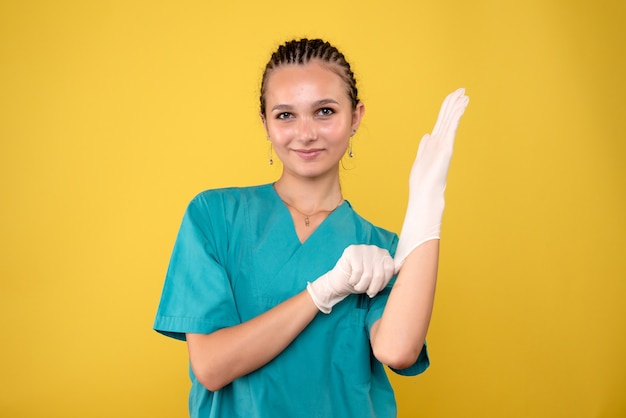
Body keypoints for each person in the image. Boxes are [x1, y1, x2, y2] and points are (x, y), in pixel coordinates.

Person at [154, 38, 469, 418]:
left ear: (355, 117)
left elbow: (398, 351)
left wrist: (426, 204)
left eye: (324, 111)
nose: (306, 133)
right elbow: (211, 367)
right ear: (265, 124)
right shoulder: (214, 216)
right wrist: (325, 290)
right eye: (286, 115)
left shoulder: (380, 249)